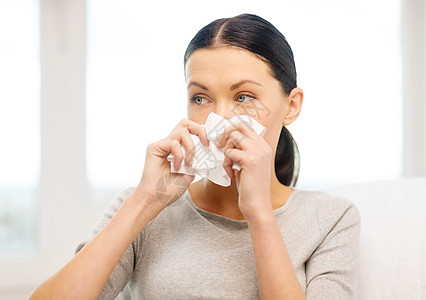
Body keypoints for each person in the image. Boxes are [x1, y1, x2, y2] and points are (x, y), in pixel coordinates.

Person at [30, 13, 360, 300]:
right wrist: (145, 202)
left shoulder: (330, 219)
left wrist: (259, 213)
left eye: (243, 96)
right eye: (200, 98)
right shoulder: (143, 206)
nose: (220, 120)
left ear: (291, 106)